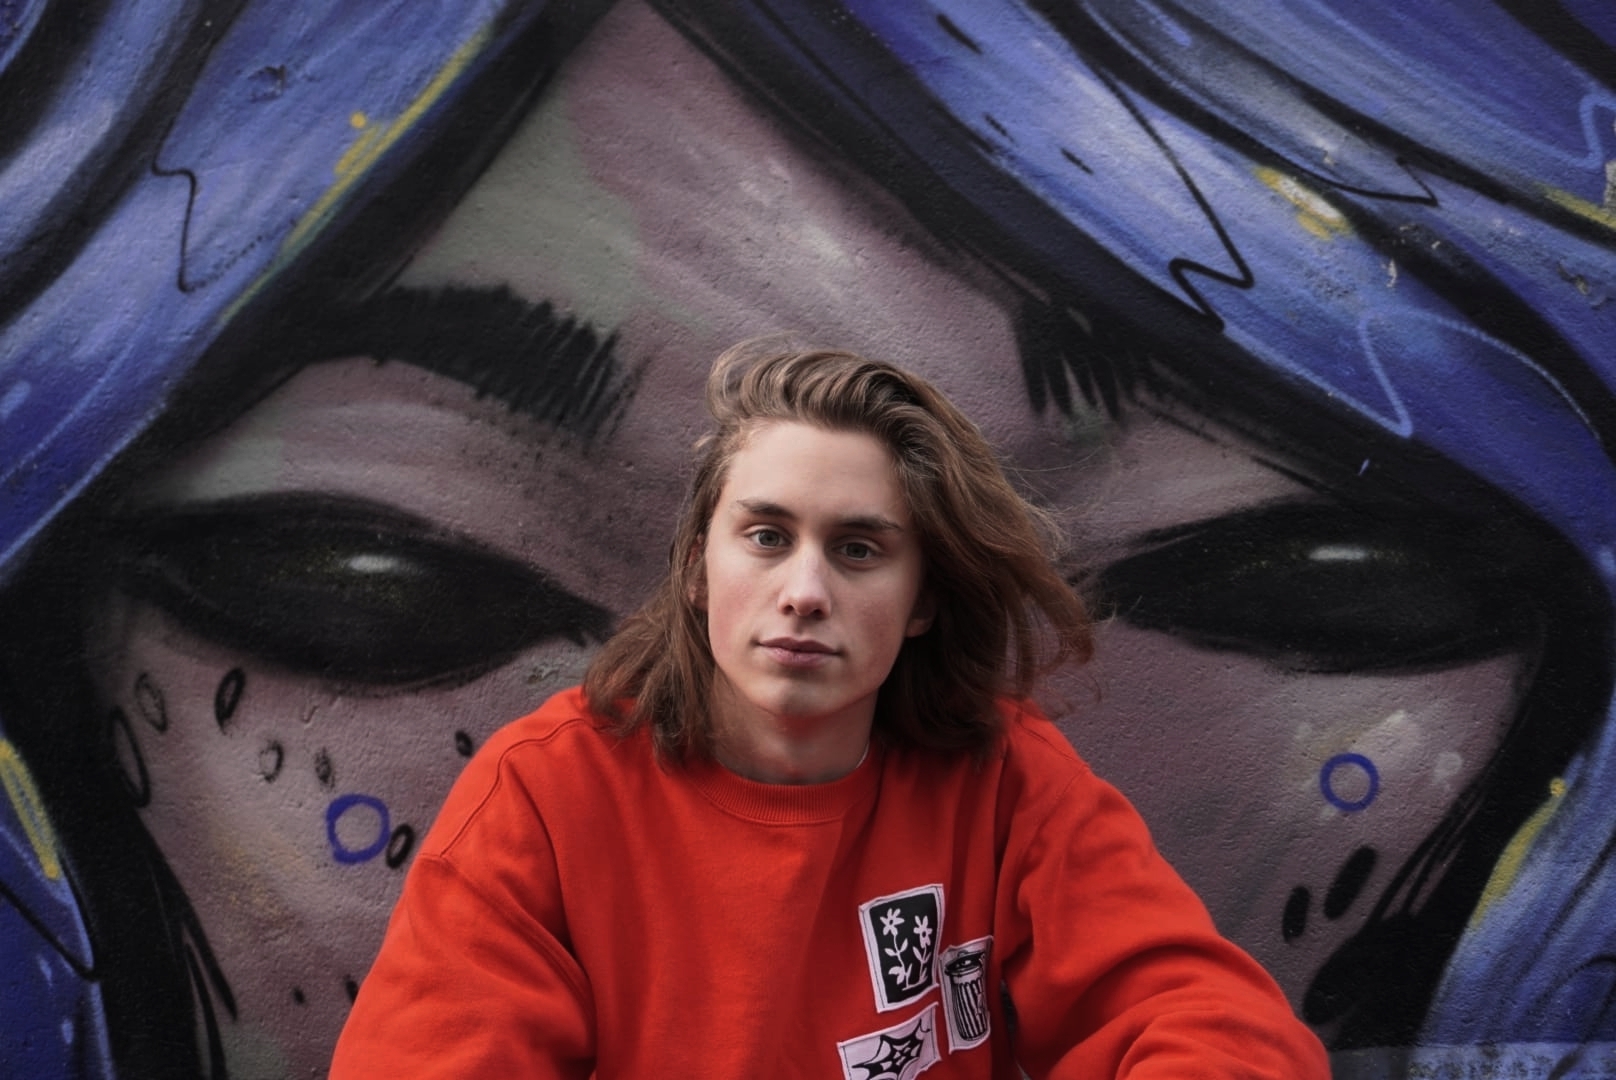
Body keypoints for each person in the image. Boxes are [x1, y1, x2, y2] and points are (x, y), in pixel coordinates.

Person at [329, 341, 1329, 1078]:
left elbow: (1212, 1027)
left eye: (858, 550)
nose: (804, 592)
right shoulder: (545, 796)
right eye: (766, 537)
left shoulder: (1002, 778)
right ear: (696, 568)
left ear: (923, 599)